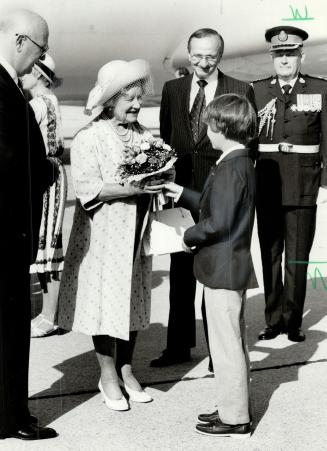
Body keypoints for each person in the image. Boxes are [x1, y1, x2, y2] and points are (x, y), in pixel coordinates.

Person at [58, 59, 163, 411]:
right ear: (109, 101)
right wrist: (133, 188)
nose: (136, 104)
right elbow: (88, 188)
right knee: (107, 303)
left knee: (133, 298)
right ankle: (107, 375)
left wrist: (161, 177)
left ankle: (128, 369)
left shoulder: (145, 136)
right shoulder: (90, 137)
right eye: (128, 99)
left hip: (137, 232)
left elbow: (157, 170)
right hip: (103, 235)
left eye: (139, 98)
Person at [151, 27, 255, 368]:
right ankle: (177, 347)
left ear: (220, 56)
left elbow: (246, 144)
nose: (203, 63)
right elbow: (167, 138)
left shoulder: (239, 90)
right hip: (181, 195)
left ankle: (218, 354)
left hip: (219, 194)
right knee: (180, 276)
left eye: (210, 56)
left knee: (215, 275)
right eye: (196, 55)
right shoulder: (172, 89)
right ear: (188, 53)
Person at [162, 94, 257, 438]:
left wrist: (187, 235)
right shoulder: (235, 161)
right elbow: (210, 201)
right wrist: (177, 189)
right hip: (226, 266)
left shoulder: (233, 167)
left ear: (222, 127)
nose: (206, 130)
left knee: (227, 346)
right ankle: (233, 406)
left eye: (209, 125)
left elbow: (218, 222)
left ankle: (235, 419)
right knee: (230, 342)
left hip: (224, 268)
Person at [0, 9, 57, 440]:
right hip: (7, 233)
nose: (39, 59)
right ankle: (10, 418)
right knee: (10, 329)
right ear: (21, 41)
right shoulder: (4, 90)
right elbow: (12, 165)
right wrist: (48, 170)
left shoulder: (9, 87)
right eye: (39, 49)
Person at [253, 26, 327, 343]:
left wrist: (324, 184)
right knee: (269, 253)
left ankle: (293, 320)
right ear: (273, 57)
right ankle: (273, 319)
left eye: (290, 53)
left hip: (304, 182)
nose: (284, 59)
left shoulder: (320, 88)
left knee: (297, 256)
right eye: (279, 54)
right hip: (267, 181)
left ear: (301, 55)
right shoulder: (256, 91)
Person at [21, 54, 67, 338]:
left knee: (46, 244)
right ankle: (50, 314)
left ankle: (50, 316)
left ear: (38, 73)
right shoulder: (51, 100)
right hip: (52, 172)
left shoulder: (38, 104)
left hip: (43, 176)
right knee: (48, 244)